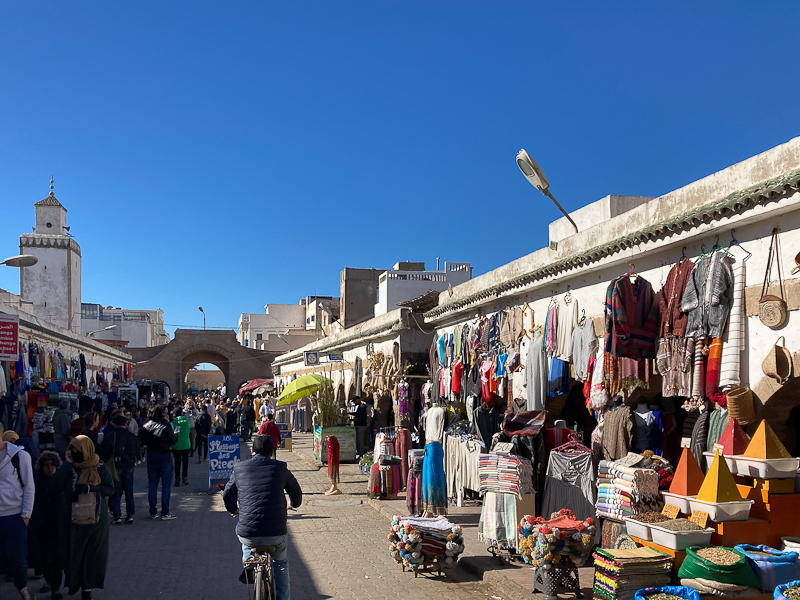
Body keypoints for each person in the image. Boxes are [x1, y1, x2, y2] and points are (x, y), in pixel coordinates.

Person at [223, 435, 302, 600]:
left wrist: (233, 509)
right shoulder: (280, 467)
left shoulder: (239, 468)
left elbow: (227, 494)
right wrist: (292, 503)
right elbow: (296, 492)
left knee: (247, 541)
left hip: (248, 532)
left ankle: (249, 561)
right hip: (276, 532)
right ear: (272, 452)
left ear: (252, 451)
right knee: (280, 564)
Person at [52, 436, 114, 600]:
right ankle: (73, 582)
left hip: (95, 519)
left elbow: (110, 489)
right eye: (71, 450)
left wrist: (90, 488)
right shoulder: (70, 466)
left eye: (77, 450)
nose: (73, 453)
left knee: (92, 556)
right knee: (72, 553)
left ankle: (87, 589)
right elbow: (55, 484)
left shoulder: (98, 466)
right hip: (71, 520)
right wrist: (67, 463)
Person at [0, 420, 36, 600]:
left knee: (18, 560)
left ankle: (22, 588)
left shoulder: (19, 456)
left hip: (15, 516)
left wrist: (25, 516)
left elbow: (29, 487)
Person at [30, 451, 65, 600]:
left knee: (56, 557)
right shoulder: (37, 482)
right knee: (44, 557)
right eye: (46, 465)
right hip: (41, 525)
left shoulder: (60, 481)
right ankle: (49, 581)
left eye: (52, 465)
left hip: (57, 525)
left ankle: (55, 587)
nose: (49, 468)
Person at [99, 413, 140, 524]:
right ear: (125, 424)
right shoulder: (132, 436)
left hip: (116, 465)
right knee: (129, 490)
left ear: (115, 424)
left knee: (116, 490)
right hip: (129, 465)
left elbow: (104, 450)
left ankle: (117, 515)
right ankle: (130, 514)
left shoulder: (111, 435)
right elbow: (138, 450)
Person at [139, 406, 178, 520]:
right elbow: (173, 441)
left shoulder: (146, 425)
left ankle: (153, 511)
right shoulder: (166, 425)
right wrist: (176, 434)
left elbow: (143, 440)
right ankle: (165, 512)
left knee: (152, 484)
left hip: (151, 455)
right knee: (166, 485)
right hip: (165, 455)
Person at [171, 410, 190, 486]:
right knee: (185, 462)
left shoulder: (173, 423)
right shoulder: (187, 421)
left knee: (177, 462)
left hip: (177, 445)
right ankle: (184, 477)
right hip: (186, 444)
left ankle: (177, 479)